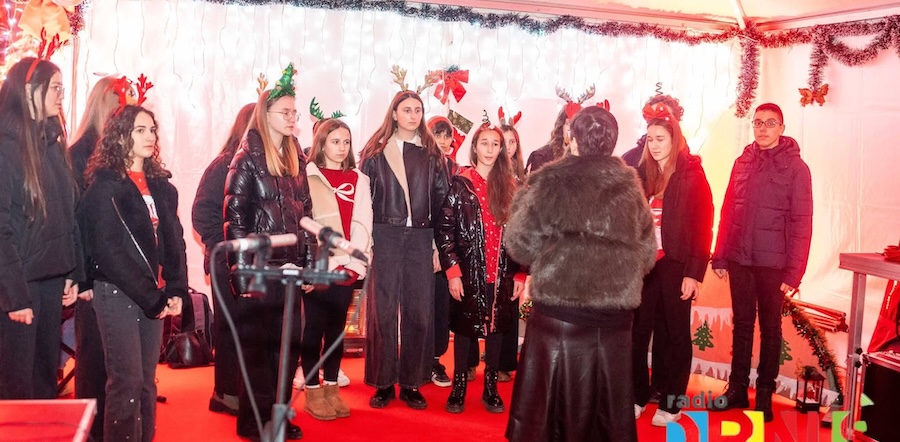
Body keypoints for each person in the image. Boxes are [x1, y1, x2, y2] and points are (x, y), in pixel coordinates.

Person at [505, 106, 656, 441]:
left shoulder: (547, 180)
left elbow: (519, 245)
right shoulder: (630, 186)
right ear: (613, 141)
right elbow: (647, 256)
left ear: (572, 139)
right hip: (614, 323)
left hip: (559, 320)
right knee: (604, 422)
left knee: (549, 419)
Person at [78, 104, 186, 441]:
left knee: (146, 382)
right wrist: (153, 298)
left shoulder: (161, 187)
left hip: (154, 294)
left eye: (152, 130)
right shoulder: (104, 188)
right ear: (121, 136)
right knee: (126, 381)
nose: (149, 136)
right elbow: (109, 252)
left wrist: (177, 289)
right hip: (118, 292)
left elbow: (175, 241)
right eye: (140, 130)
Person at [224, 64, 313, 441]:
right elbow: (234, 221)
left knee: (287, 352)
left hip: (291, 271)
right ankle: (253, 423)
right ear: (266, 114)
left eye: (295, 112)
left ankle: (278, 416)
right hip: (260, 273)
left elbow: (306, 214)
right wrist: (242, 277)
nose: (292, 118)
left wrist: (309, 263)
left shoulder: (296, 159)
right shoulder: (245, 159)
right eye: (285, 112)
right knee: (259, 355)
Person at [710, 103, 813, 422]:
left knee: (770, 328)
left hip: (774, 264)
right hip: (740, 259)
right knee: (742, 325)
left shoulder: (797, 168)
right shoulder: (742, 162)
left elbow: (802, 221)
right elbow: (728, 209)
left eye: (770, 123)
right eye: (758, 123)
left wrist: (794, 272)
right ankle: (737, 388)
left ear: (782, 128)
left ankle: (765, 393)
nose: (763, 128)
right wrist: (721, 254)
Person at [360, 90, 449, 410]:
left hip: (421, 238)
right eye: (407, 109)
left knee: (419, 312)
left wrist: (438, 247)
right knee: (382, 312)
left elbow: (442, 203)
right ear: (394, 113)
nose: (413, 115)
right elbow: (362, 202)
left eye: (418, 110)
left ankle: (412, 382)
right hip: (385, 234)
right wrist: (366, 242)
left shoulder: (433, 154)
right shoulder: (375, 152)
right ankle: (382, 382)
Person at [0, 57, 82, 400]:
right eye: (56, 88)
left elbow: (67, 212)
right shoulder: (6, 147)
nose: (61, 96)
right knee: (16, 387)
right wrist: (15, 296)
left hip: (50, 279)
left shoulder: (51, 143)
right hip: (19, 285)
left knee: (44, 380)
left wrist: (71, 271)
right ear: (30, 90)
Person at [632, 103, 714, 426]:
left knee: (675, 333)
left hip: (676, 264)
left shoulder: (692, 174)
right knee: (638, 332)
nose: (654, 145)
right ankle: (637, 395)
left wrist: (694, 273)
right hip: (644, 265)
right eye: (650, 139)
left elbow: (703, 227)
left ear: (674, 139)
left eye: (660, 139)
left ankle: (672, 402)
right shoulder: (642, 174)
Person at [436, 123, 523, 414]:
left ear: (501, 150)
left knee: (496, 328)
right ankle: (459, 385)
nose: (489, 149)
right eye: (484, 143)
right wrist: (453, 272)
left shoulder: (512, 186)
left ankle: (491, 387)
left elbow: (524, 233)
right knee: (464, 329)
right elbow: (445, 231)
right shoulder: (460, 184)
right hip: (468, 271)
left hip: (501, 273)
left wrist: (521, 272)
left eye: (495, 144)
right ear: (475, 147)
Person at [301, 118, 373, 420]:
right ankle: (312, 390)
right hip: (320, 266)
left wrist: (354, 263)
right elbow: (304, 223)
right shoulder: (307, 177)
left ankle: (331, 387)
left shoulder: (359, 179)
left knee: (336, 331)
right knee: (312, 329)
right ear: (321, 144)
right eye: (335, 142)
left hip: (347, 268)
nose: (342, 148)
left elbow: (364, 223)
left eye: (346, 142)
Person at [67, 74, 122, 440]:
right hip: (92, 270)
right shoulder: (79, 154)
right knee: (92, 357)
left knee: (115, 359)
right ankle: (88, 430)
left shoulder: (117, 154)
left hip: (118, 270)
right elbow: (76, 221)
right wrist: (82, 276)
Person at [192, 102, 255, 416]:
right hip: (227, 261)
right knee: (231, 328)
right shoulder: (223, 165)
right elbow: (202, 213)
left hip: (258, 262)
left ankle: (248, 391)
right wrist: (225, 247)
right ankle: (226, 393)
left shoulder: (265, 164)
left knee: (254, 330)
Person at [426, 115, 461, 388]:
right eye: (438, 134)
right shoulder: (420, 165)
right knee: (419, 306)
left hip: (447, 248)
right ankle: (417, 358)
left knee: (441, 306)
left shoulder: (456, 170)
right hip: (421, 244)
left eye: (447, 135)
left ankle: (435, 359)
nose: (443, 140)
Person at [497, 123, 525, 383]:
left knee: (509, 307)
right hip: (486, 251)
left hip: (512, 253)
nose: (507, 147)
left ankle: (505, 363)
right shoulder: (484, 176)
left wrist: (522, 271)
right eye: (502, 141)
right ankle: (470, 362)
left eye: (512, 142)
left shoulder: (524, 182)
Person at [621, 94, 685, 169]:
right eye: (652, 118)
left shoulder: (690, 165)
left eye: (663, 117)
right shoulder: (629, 160)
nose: (657, 123)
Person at [524, 107, 569, 174]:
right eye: (568, 123)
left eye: (576, 125)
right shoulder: (541, 156)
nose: (572, 129)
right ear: (561, 126)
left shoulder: (583, 157)